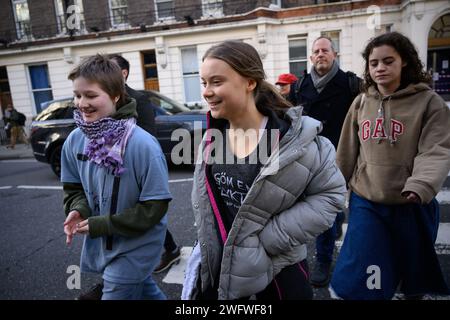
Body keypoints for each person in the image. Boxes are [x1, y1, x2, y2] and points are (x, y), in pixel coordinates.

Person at [181, 40, 346, 300]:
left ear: (249, 82)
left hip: (279, 267)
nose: (207, 92)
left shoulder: (296, 137)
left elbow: (330, 196)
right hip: (221, 264)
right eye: (204, 83)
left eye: (216, 81)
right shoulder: (210, 139)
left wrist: (267, 240)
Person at [330, 32, 450, 300]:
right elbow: (347, 150)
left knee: (413, 272)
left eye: (388, 61)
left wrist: (420, 184)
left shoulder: (429, 103)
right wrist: (334, 187)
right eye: (374, 64)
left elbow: (436, 149)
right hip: (367, 199)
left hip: (411, 202)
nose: (380, 68)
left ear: (404, 62)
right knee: (366, 266)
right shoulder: (361, 102)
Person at [61, 54, 171, 300]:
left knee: (118, 290)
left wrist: (103, 224)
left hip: (138, 247)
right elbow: (72, 188)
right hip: (104, 246)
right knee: (145, 291)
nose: (81, 103)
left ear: (115, 96)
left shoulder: (143, 145)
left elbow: (155, 207)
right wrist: (78, 208)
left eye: (91, 95)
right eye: (77, 95)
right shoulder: (74, 140)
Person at [288, 36, 361, 287]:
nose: (320, 54)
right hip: (307, 158)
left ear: (335, 54)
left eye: (325, 50)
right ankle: (335, 222)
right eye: (316, 51)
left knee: (327, 211)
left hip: (339, 158)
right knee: (320, 209)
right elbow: (284, 116)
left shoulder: (351, 84)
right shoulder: (299, 87)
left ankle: (323, 259)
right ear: (311, 57)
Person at [109, 54, 182, 275]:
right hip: (113, 166)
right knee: (126, 210)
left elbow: (148, 135)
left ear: (123, 73)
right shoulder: (106, 96)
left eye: (110, 69)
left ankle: (169, 250)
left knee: (145, 210)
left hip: (134, 165)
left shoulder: (138, 99)